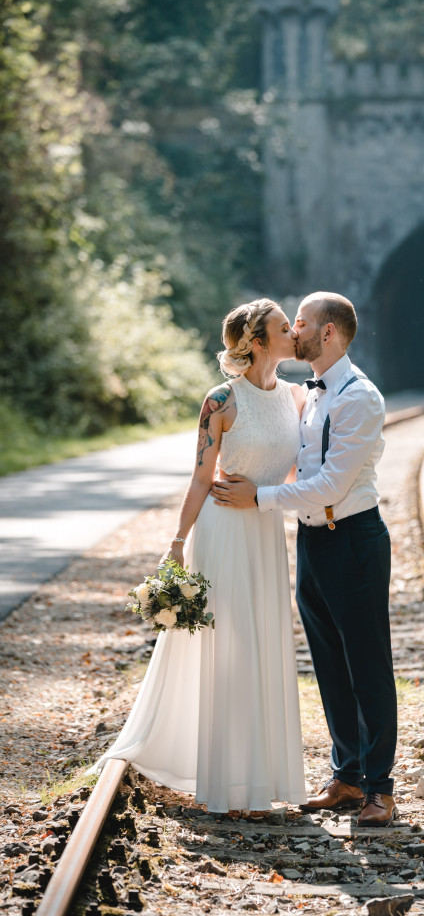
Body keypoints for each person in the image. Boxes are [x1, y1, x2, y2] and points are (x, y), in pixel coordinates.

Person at [94, 299, 307, 815]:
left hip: (264, 531)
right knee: (229, 647)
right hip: (222, 533)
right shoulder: (220, 401)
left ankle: (262, 777)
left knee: (263, 644)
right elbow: (199, 477)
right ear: (258, 342)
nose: (293, 333)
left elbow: (299, 474)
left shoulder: (298, 398)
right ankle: (227, 780)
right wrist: (175, 543)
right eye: (284, 327)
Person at [211, 292, 398, 827]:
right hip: (313, 541)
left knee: (368, 666)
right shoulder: (309, 395)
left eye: (303, 322)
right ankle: (346, 776)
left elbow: (331, 484)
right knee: (330, 666)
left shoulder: (358, 397)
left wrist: (260, 498)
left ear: (329, 333)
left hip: (353, 539)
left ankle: (380, 788)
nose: (294, 329)